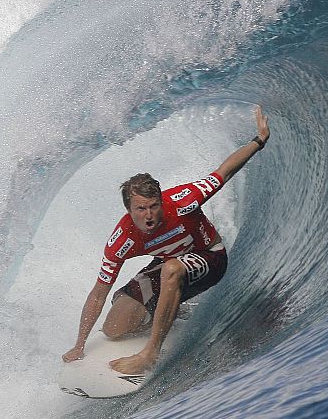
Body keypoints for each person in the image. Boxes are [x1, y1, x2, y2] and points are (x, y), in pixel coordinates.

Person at [62, 105, 271, 374]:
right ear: (129, 210)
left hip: (210, 257)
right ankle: (172, 311)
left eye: (153, 206)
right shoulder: (122, 240)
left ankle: (150, 352)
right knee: (114, 328)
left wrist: (259, 139)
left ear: (161, 202)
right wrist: (79, 344)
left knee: (172, 269)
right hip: (168, 264)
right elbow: (98, 292)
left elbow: (224, 172)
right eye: (140, 209)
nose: (149, 215)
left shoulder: (183, 201)